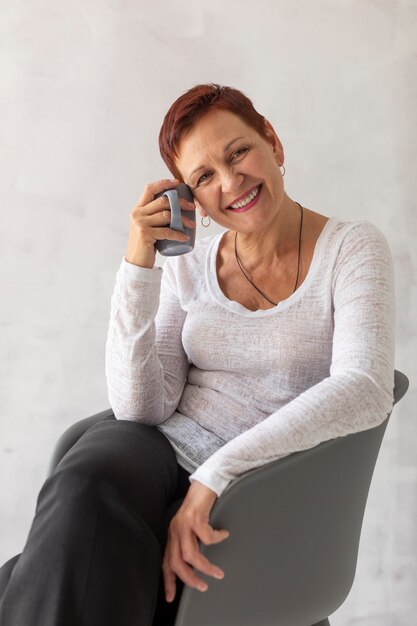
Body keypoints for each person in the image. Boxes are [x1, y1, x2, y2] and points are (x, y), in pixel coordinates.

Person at [0, 83, 395, 626]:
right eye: (204, 177)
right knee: (85, 484)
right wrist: (140, 264)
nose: (231, 182)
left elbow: (366, 390)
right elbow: (142, 408)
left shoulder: (352, 248)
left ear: (273, 143)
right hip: (157, 452)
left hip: (262, 482)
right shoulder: (189, 264)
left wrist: (217, 474)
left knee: (83, 570)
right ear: (192, 199)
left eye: (238, 153)